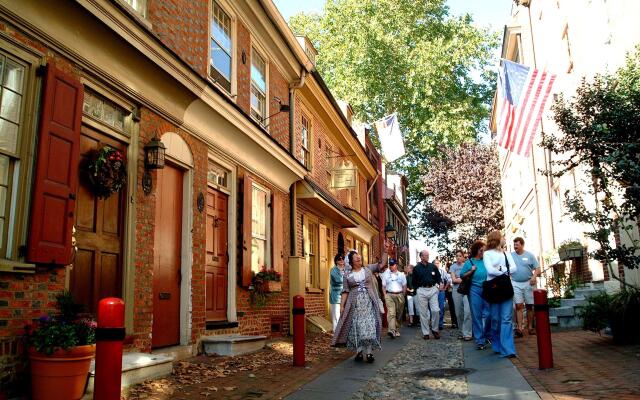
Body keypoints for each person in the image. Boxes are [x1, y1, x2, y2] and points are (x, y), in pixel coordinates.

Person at [332, 252, 382, 363]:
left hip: (368, 302)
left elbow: (381, 265)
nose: (359, 259)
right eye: (357, 258)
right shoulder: (347, 275)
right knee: (357, 327)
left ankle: (369, 353)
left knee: (369, 326)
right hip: (355, 304)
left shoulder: (368, 269)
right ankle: (359, 352)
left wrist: (385, 250)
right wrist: (341, 305)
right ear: (352, 262)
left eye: (359, 257)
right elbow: (345, 291)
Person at [483, 230, 518, 358]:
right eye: (503, 236)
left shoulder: (506, 254)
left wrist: (501, 270)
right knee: (495, 319)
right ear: (497, 239)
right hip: (493, 288)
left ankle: (508, 349)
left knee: (507, 319)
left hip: (505, 288)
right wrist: (505, 271)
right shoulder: (487, 254)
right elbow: (490, 270)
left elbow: (514, 268)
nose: (504, 239)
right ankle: (496, 343)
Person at [461, 241, 492, 349]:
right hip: (474, 290)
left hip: (487, 288)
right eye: (482, 249)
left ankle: (487, 335)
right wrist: (471, 271)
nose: (484, 251)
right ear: (477, 250)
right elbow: (462, 275)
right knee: (476, 315)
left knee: (488, 314)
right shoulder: (469, 262)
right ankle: (480, 340)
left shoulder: (487, 261)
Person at [510, 237, 541, 337]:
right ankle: (519, 328)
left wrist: (534, 277)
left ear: (522, 245)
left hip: (528, 283)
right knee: (518, 306)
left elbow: (537, 268)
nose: (515, 247)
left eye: (517, 245)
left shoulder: (529, 255)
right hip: (515, 283)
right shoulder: (511, 256)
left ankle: (530, 327)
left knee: (529, 305)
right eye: (514, 245)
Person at [413, 250, 441, 340]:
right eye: (425, 255)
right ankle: (425, 333)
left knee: (436, 310)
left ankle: (435, 329)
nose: (427, 256)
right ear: (421, 257)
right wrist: (417, 289)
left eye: (428, 255)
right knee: (423, 312)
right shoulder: (416, 268)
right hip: (421, 290)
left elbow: (438, 277)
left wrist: (440, 284)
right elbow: (413, 280)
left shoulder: (433, 266)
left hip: (432, 289)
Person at [381, 258, 406, 338]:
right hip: (389, 295)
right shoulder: (386, 274)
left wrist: (403, 295)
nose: (391, 266)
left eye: (392, 265)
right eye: (390, 265)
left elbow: (404, 286)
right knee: (391, 313)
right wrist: (385, 295)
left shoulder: (401, 275)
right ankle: (391, 330)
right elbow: (383, 286)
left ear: (396, 265)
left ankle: (397, 329)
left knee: (399, 313)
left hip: (399, 295)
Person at [450, 250, 472, 341]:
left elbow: (469, 278)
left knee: (467, 311)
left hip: (466, 290)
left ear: (463, 257)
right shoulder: (453, 267)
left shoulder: (467, 265)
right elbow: (454, 280)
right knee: (458, 313)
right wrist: (463, 278)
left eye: (460, 256)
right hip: (456, 290)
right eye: (457, 256)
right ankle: (461, 332)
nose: (458, 257)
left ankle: (468, 333)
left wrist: (460, 278)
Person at [329, 253, 346, 331]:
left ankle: (343, 333)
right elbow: (338, 280)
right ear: (336, 261)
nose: (342, 260)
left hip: (345, 295)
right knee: (336, 316)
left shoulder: (347, 269)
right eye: (339, 259)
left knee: (344, 314)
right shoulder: (333, 270)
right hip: (336, 296)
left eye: (343, 258)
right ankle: (336, 333)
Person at [434, 258, 451, 331]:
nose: (437, 265)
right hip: (433, 292)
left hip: (441, 292)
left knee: (441, 308)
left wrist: (445, 287)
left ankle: (440, 324)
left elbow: (449, 280)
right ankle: (434, 324)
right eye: (435, 263)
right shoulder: (430, 271)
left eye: (438, 263)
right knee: (434, 309)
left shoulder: (442, 271)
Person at [445, 263, 458, 329]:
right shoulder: (448, 274)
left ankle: (455, 322)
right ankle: (454, 322)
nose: (446, 268)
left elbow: (449, 282)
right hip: (451, 292)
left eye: (446, 267)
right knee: (452, 308)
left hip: (452, 291)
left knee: (454, 308)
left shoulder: (449, 274)